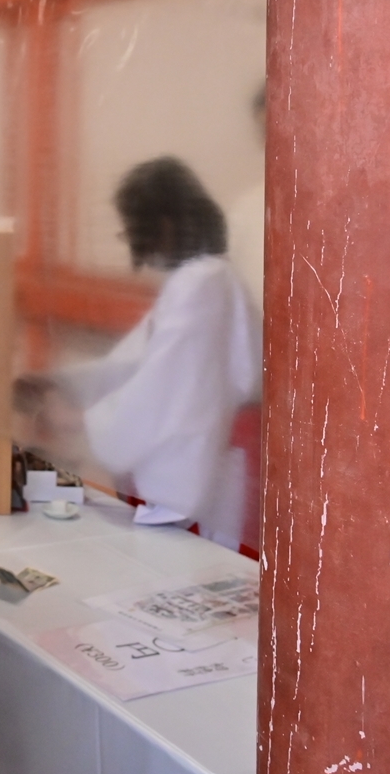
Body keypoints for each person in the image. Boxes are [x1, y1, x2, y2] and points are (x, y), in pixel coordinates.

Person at [18, 157, 260, 547]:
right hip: (194, 462)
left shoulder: (203, 284)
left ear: (163, 224)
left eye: (134, 227)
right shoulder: (201, 279)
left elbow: (163, 384)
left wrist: (78, 418)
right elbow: (134, 361)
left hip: (197, 472)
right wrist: (58, 383)